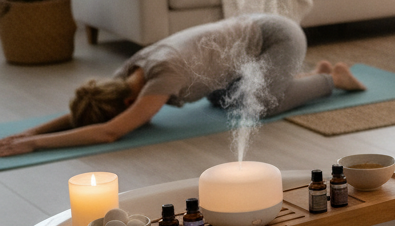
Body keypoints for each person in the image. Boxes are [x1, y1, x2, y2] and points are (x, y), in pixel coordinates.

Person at [0, 13, 366, 157]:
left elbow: (109, 132)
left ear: (130, 101)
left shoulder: (163, 75)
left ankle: (329, 79)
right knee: (220, 102)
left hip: (278, 39)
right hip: (241, 56)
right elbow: (86, 116)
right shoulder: (128, 73)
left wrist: (33, 144)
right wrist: (24, 133)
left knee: (253, 109)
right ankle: (297, 78)